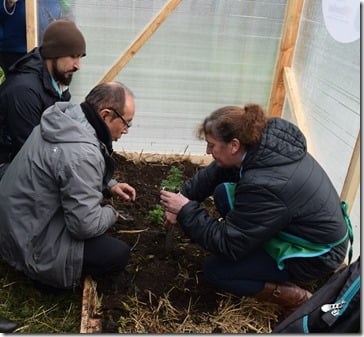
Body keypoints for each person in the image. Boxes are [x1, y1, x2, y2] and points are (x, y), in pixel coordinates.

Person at [160, 104, 351, 318]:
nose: (207, 151)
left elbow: (228, 245)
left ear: (234, 145)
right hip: (307, 227)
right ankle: (253, 248)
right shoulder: (263, 144)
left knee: (217, 270)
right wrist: (186, 196)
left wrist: (186, 210)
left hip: (317, 254)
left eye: (211, 145)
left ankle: (298, 298)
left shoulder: (266, 184)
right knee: (223, 192)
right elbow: (217, 171)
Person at [0, 81, 136, 290]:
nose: (126, 130)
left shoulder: (67, 120)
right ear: (106, 115)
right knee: (117, 253)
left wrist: (110, 185)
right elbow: (85, 226)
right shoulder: (82, 152)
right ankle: (44, 280)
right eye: (126, 123)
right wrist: (111, 213)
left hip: (16, 226)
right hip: (30, 245)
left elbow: (65, 169)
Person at [0, 18, 86, 179]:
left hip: (27, 158)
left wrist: (106, 183)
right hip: (8, 165)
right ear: (54, 54)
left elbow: (62, 135)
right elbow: (31, 153)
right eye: (73, 56)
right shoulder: (24, 91)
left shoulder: (58, 83)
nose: (78, 65)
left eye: (80, 57)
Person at [0, 0, 72, 75]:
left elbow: (66, 8)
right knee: (23, 83)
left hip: (49, 47)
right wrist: (8, 2)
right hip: (16, 50)